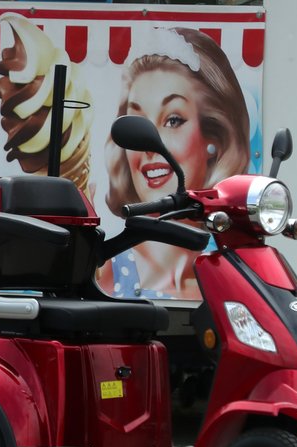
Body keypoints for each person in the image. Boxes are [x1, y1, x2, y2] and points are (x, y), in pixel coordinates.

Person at [99, 27, 250, 299]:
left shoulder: (241, 268)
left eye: (173, 120)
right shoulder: (105, 268)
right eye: (139, 123)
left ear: (214, 137)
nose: (148, 144)